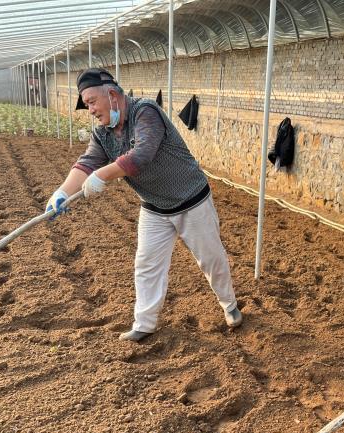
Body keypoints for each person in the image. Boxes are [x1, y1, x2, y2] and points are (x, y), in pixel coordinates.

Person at [45, 68, 242, 341]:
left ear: (112, 95)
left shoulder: (145, 111)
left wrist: (102, 175)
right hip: (154, 206)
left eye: (91, 102)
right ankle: (145, 324)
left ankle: (229, 305)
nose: (89, 110)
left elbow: (141, 155)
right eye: (86, 104)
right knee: (147, 264)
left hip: (191, 199)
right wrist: (62, 193)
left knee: (211, 259)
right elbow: (87, 162)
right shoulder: (103, 133)